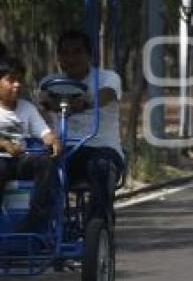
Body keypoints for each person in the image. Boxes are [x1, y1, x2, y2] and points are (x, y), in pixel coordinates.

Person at [39, 30, 124, 224]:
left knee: (101, 168)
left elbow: (108, 94)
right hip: (63, 150)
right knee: (35, 167)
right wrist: (49, 103)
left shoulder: (107, 78)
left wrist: (85, 102)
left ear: (89, 55)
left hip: (101, 148)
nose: (71, 58)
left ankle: (96, 224)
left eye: (77, 52)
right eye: (65, 53)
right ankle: (38, 226)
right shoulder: (50, 82)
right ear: (58, 57)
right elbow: (43, 101)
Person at [0, 57, 62, 231]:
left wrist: (53, 140)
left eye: (19, 80)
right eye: (11, 80)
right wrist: (4, 144)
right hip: (1, 161)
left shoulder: (27, 108)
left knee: (46, 164)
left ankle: (35, 221)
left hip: (20, 160)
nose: (17, 85)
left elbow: (44, 132)